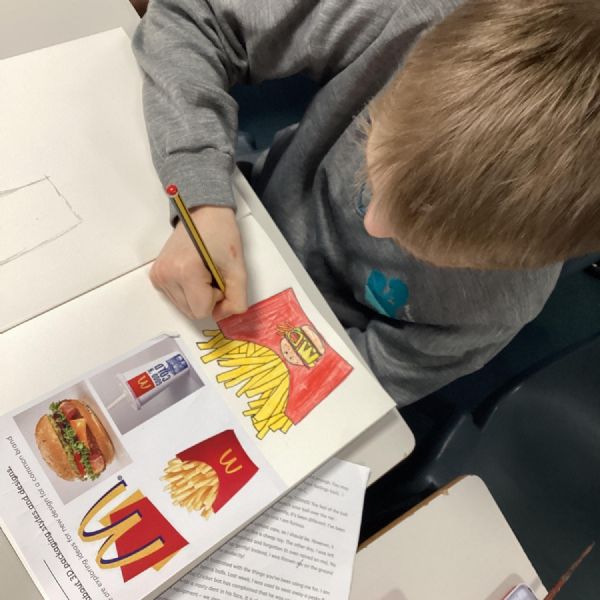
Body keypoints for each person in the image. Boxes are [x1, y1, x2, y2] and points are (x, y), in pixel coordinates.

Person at [132, 0, 600, 406]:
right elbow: (192, 14)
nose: (372, 225)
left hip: (308, 340)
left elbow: (363, 385)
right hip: (239, 214)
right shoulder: (419, 21)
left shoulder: (496, 307)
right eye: (370, 155)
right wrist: (202, 202)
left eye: (423, 245)